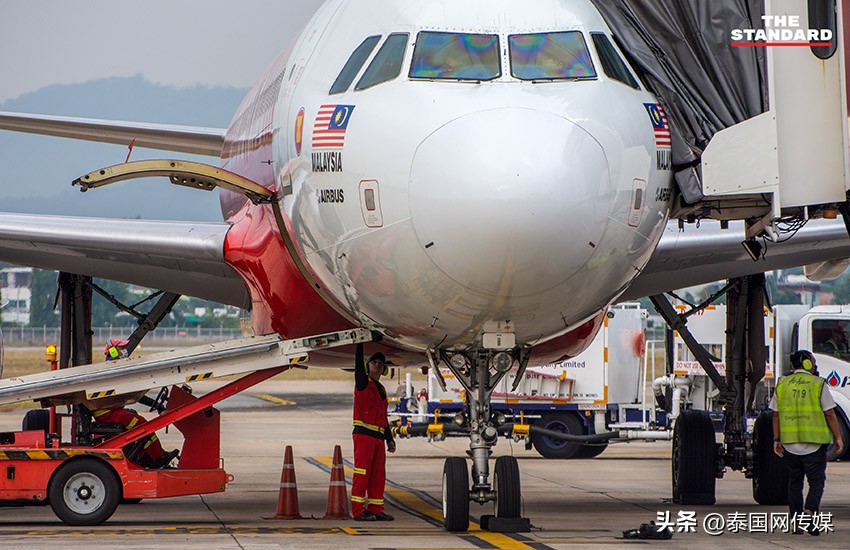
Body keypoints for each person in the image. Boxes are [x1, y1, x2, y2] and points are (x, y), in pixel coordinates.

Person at [771, 350, 844, 535]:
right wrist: (838, 437)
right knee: (816, 482)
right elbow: (829, 413)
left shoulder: (783, 384)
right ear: (808, 363)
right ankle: (810, 511)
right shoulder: (818, 384)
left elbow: (776, 415)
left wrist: (776, 439)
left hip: (790, 444)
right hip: (814, 444)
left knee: (794, 483)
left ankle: (797, 523)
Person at [93, 339, 179, 469]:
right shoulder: (114, 369)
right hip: (107, 413)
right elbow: (135, 395)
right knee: (142, 425)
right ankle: (157, 457)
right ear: (113, 351)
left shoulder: (113, 367)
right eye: (121, 348)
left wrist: (155, 405)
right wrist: (156, 405)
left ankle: (144, 456)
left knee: (134, 417)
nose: (125, 351)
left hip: (110, 411)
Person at [351, 343, 396, 521]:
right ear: (367, 366)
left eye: (380, 363)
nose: (377, 365)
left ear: (384, 369)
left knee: (378, 475)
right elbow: (357, 368)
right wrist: (359, 344)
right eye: (374, 362)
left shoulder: (381, 389)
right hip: (364, 436)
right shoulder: (363, 383)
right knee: (362, 473)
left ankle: (376, 508)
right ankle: (358, 510)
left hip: (378, 437)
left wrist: (389, 439)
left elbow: (383, 417)